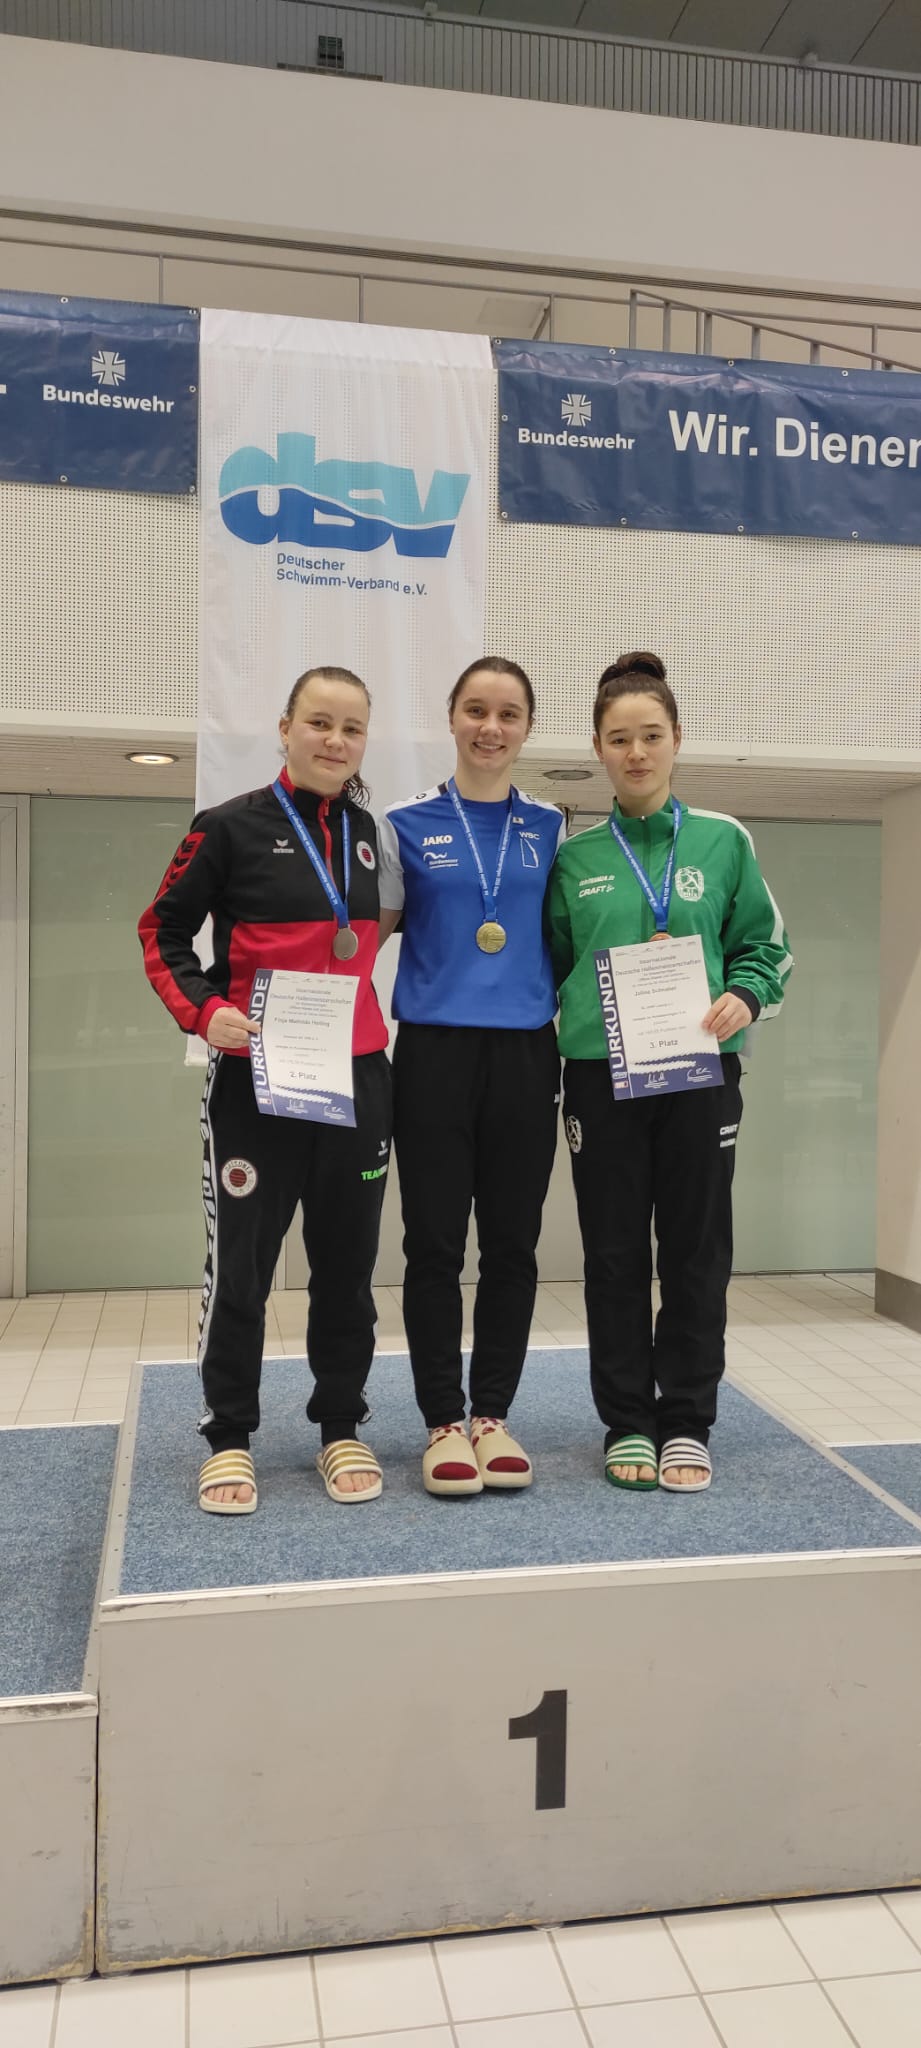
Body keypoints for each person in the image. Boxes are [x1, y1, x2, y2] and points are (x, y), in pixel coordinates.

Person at [139, 665, 391, 1514]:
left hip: (356, 1076)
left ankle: (340, 1424)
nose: (334, 740)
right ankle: (229, 1435)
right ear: (285, 728)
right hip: (256, 1079)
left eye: (351, 728)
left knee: (347, 1267)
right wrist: (204, 1010)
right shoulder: (227, 827)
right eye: (319, 722)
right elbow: (162, 930)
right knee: (243, 1266)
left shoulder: (369, 835)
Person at [546, 651, 792, 1494]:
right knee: (614, 1253)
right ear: (598, 748)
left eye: (650, 735)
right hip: (600, 1079)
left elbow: (764, 947)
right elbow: (550, 968)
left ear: (676, 739)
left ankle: (685, 1419)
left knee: (694, 1250)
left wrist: (744, 997)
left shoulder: (723, 840)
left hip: (697, 1073)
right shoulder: (574, 858)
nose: (636, 752)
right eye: (619, 739)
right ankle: (626, 1421)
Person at [377, 657, 564, 1497]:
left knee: (513, 1244)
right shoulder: (404, 823)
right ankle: (441, 1423)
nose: (491, 727)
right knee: (433, 1244)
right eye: (476, 710)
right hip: (433, 1053)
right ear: (451, 717)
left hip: (525, 1053)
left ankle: (491, 1414)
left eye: (508, 714)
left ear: (526, 728)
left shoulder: (552, 826)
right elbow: (362, 937)